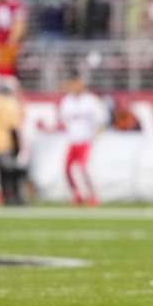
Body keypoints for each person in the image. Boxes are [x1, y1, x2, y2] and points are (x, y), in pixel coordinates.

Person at [58, 71, 107, 206]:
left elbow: (101, 119)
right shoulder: (66, 101)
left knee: (83, 168)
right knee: (67, 169)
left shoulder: (91, 100)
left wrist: (96, 133)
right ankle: (77, 194)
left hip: (86, 140)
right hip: (73, 140)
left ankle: (92, 195)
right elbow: (63, 120)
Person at [0, 76, 25, 206]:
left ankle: (7, 197)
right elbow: (12, 126)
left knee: (2, 173)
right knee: (11, 171)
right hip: (7, 141)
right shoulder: (10, 103)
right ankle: (14, 197)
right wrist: (18, 144)